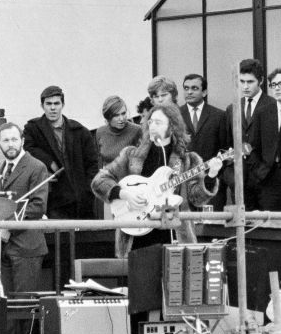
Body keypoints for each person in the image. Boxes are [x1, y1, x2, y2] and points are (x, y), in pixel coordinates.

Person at [92, 103, 223, 252]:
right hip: (136, 234)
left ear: (172, 127)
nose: (152, 126)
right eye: (150, 122)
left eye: (158, 122)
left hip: (174, 235)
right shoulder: (131, 155)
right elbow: (99, 180)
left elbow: (197, 198)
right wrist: (123, 194)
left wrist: (211, 175)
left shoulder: (188, 160)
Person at [23, 85, 98, 219]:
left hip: (80, 198)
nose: (53, 108)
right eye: (48, 104)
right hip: (53, 199)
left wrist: (87, 191)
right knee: (58, 238)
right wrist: (49, 162)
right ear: (42, 106)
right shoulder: (33, 129)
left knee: (85, 238)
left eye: (56, 103)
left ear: (63, 104)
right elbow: (29, 149)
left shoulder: (80, 131)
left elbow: (92, 164)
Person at [0, 122, 49, 295]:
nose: (10, 144)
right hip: (4, 248)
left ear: (22, 141)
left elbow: (37, 206)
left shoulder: (36, 167)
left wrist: (9, 228)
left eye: (14, 139)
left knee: (23, 305)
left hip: (27, 247)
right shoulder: (1, 168)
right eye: (5, 140)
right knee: (6, 306)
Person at [223, 59, 272, 209]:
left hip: (266, 180)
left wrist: (262, 173)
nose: (245, 86)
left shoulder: (272, 106)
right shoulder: (232, 108)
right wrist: (231, 175)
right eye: (241, 81)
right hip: (239, 180)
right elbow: (227, 143)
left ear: (261, 81)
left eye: (250, 82)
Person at [179, 74, 228, 211]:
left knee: (210, 227)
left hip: (210, 179)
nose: (189, 92)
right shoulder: (175, 115)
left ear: (204, 92)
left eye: (194, 88)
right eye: (186, 88)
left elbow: (224, 148)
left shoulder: (219, 116)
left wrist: (215, 173)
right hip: (182, 183)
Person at [248, 67, 281, 211]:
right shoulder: (263, 112)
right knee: (271, 226)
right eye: (274, 85)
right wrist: (259, 172)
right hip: (269, 176)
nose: (277, 88)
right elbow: (252, 147)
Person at [96, 96, 141, 169]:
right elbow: (99, 159)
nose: (121, 118)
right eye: (116, 115)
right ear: (108, 117)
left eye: (123, 113)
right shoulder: (100, 132)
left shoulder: (136, 130)